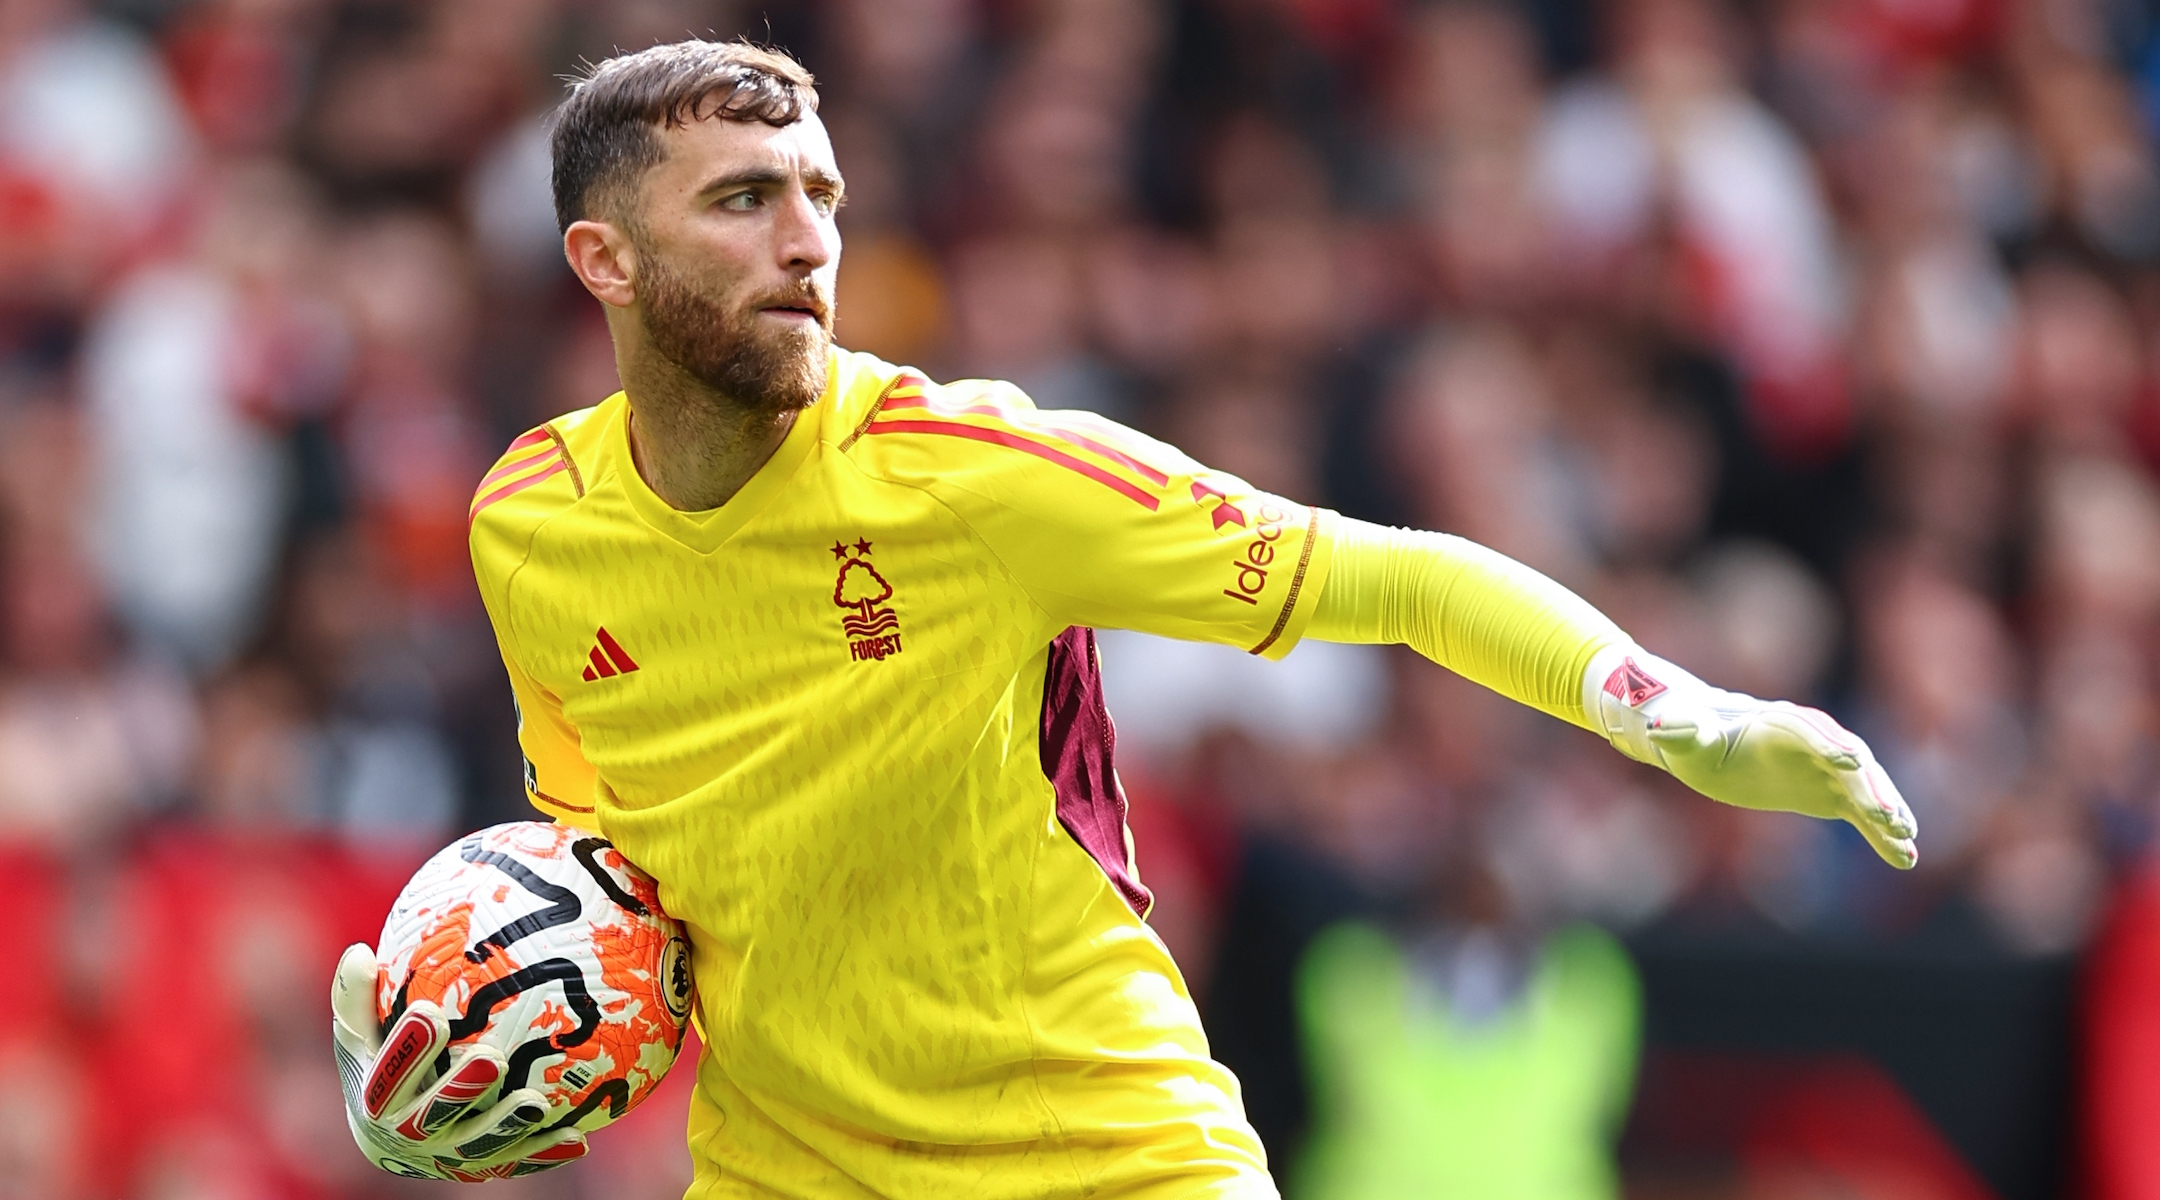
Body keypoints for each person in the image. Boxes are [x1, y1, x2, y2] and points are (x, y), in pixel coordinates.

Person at [326, 40, 1917, 1197]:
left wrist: (1674, 714)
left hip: (1109, 1155)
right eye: (742, 201)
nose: (807, 240)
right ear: (601, 260)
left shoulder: (975, 473)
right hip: (788, 1175)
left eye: (820, 194)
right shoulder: (530, 529)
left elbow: (1397, 575)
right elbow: (627, 892)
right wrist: (451, 1060)